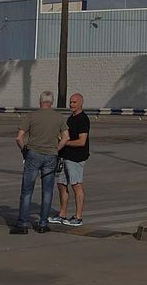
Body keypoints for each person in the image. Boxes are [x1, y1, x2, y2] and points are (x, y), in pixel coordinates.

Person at [14, 92, 67, 234]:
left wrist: (23, 150)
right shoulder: (59, 117)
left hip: (33, 153)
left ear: (40, 101)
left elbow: (19, 138)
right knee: (47, 191)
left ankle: (23, 224)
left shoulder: (32, 116)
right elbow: (66, 137)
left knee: (27, 191)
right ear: (52, 102)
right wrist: (57, 149)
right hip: (51, 155)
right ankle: (43, 224)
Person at [54, 92, 90, 226]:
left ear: (81, 103)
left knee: (76, 185)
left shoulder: (83, 119)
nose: (71, 104)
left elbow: (82, 142)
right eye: (70, 102)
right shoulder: (71, 118)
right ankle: (62, 214)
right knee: (61, 185)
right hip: (65, 157)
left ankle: (78, 217)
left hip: (76, 158)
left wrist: (65, 143)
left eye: (74, 102)